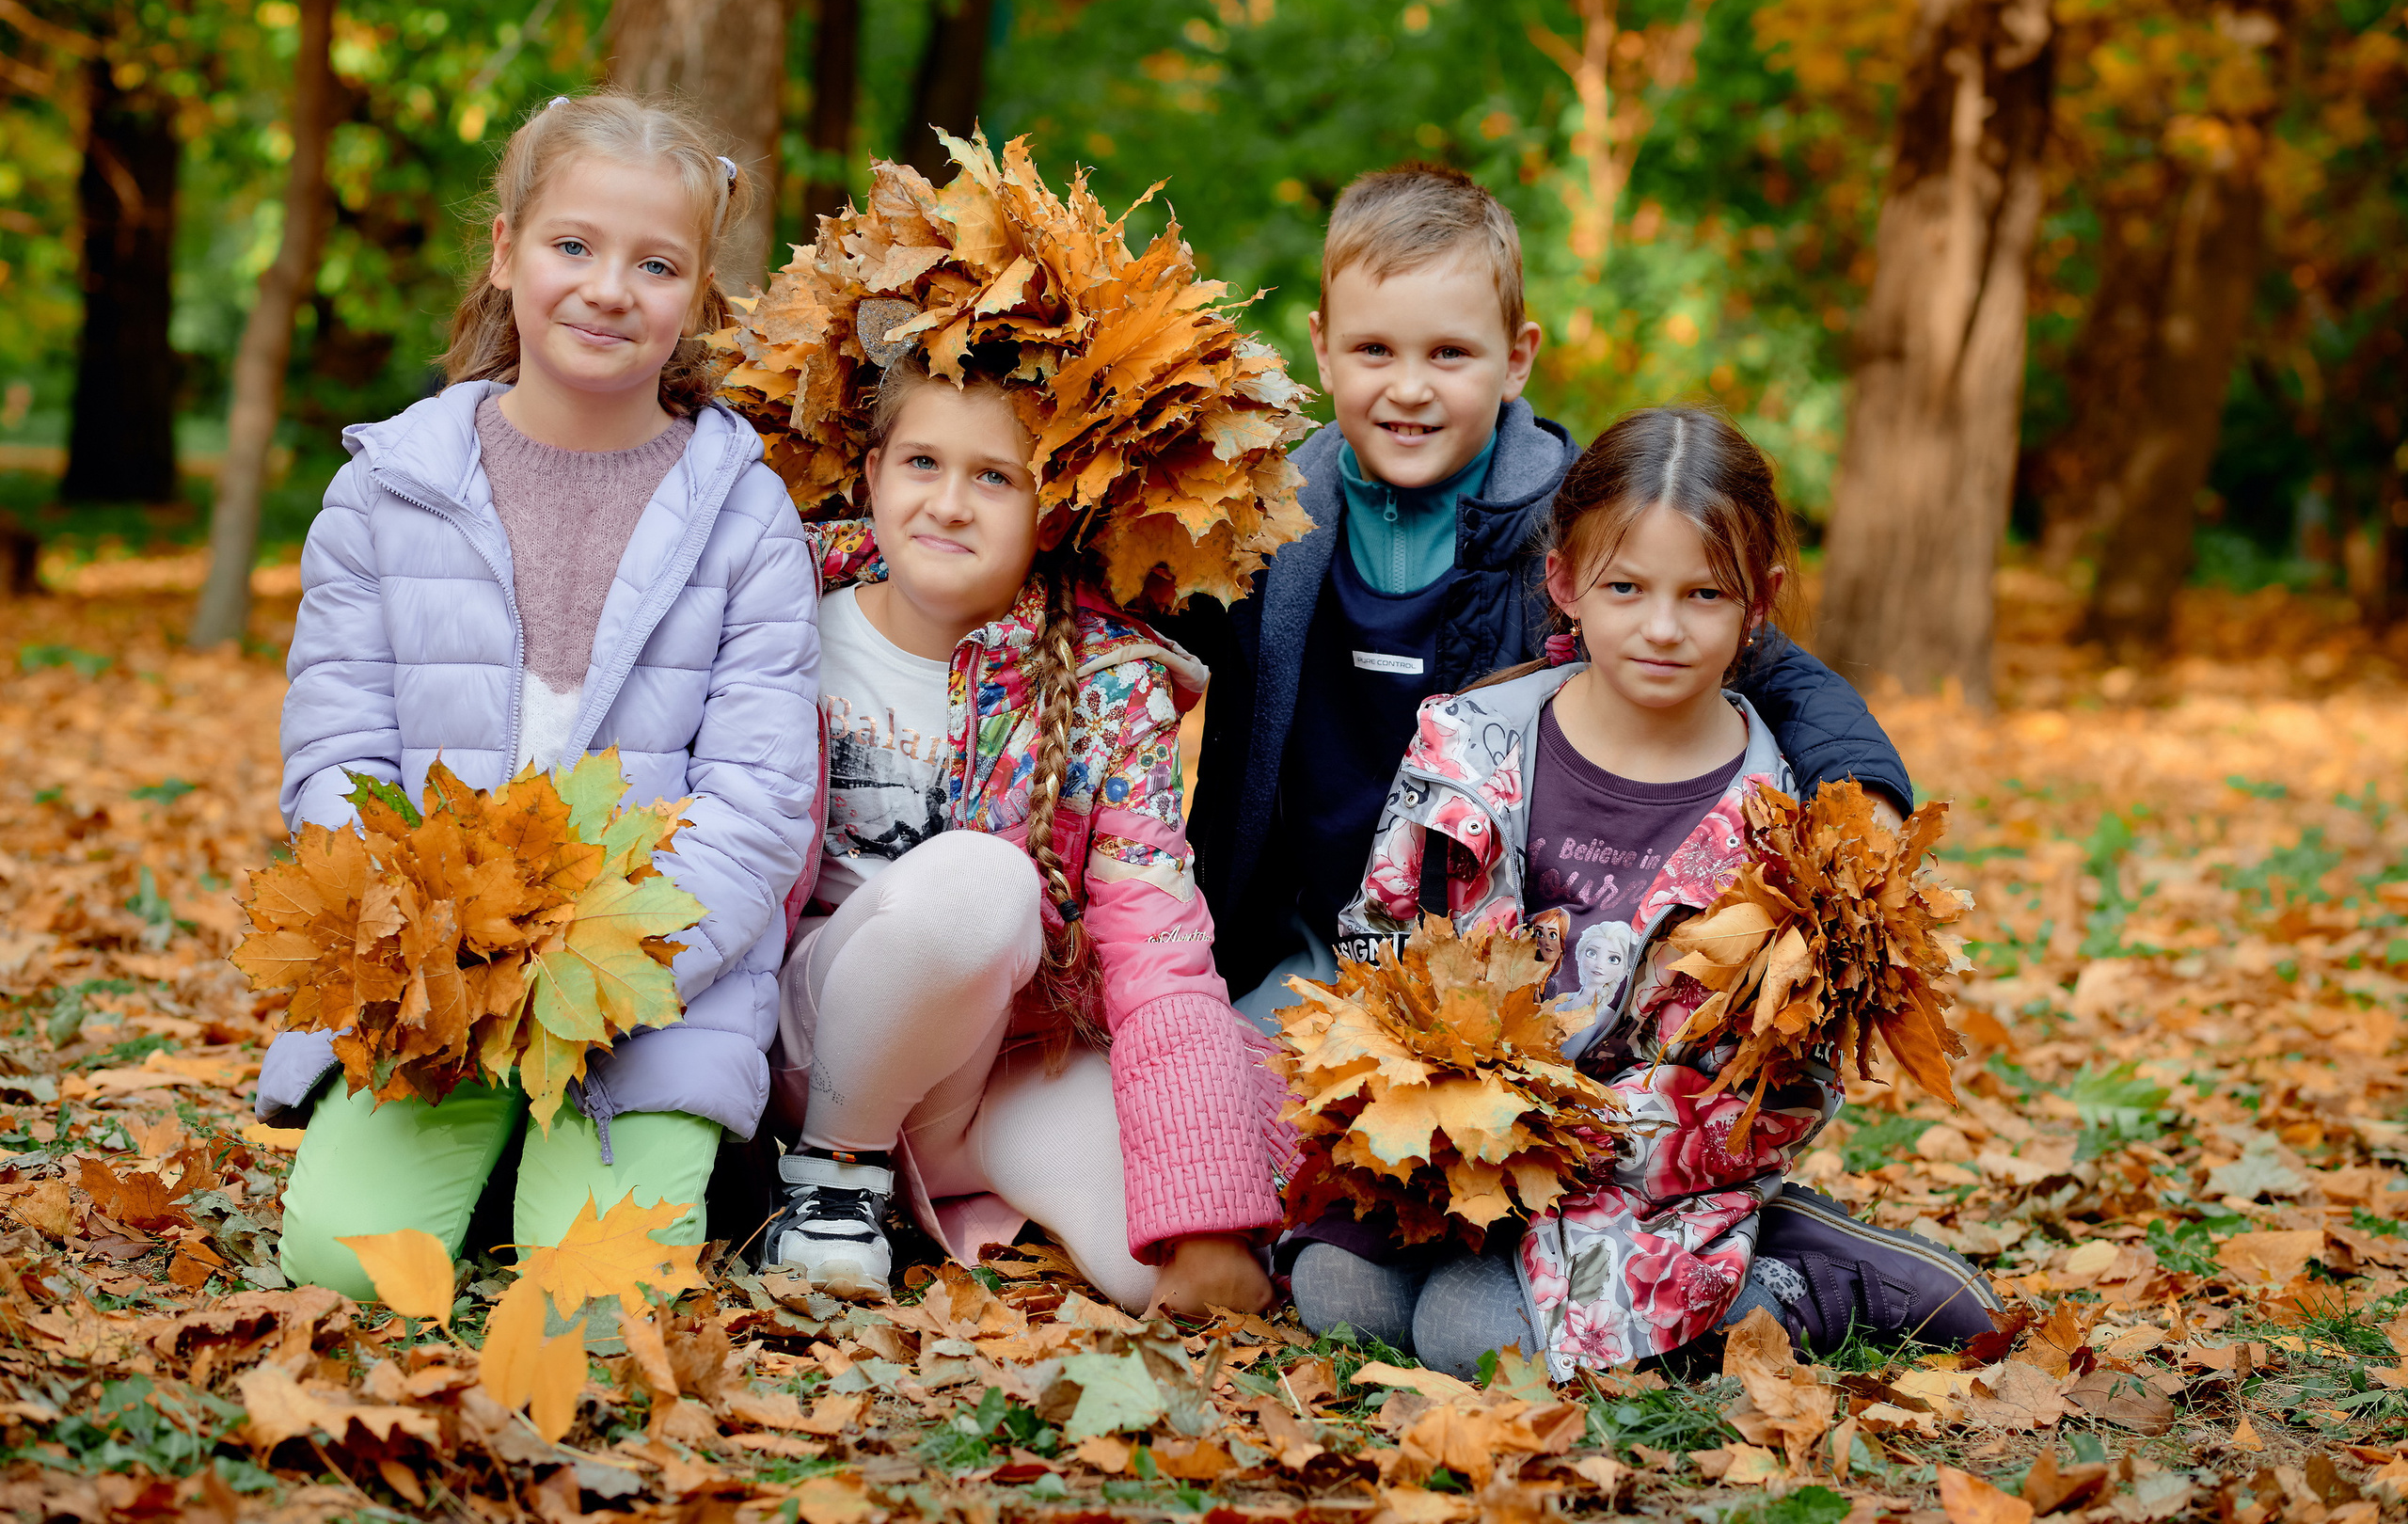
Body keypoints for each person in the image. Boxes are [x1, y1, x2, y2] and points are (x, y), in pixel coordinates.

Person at [718, 137, 1306, 1317]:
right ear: (871, 470)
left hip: (1000, 1067)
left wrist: (1202, 1200)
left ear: (1055, 508)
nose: (948, 501)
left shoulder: (1103, 677)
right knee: (980, 884)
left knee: (1195, 1282)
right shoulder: (777, 612)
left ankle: (929, 1181)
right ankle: (833, 1179)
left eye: (996, 477)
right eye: (923, 463)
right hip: (806, 1043)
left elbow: (1152, 937)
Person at [1290, 407, 1997, 1374]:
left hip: (1650, 1173)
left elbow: (1785, 1087)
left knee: (1466, 1340)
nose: (1661, 628)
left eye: (1704, 594)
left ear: (1759, 605)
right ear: (1565, 583)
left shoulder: (1786, 831)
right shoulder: (1466, 745)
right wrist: (1439, 1105)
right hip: (1462, 1148)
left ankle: (1807, 1278)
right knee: (1337, 1296)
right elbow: (1380, 939)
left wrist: (1565, 1136)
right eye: (1624, 587)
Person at [255, 92, 819, 1301]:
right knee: (340, 1273)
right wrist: (434, 954)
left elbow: (760, 801)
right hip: (430, 987)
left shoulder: (747, 514)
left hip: (643, 998)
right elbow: (334, 757)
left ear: (698, 299)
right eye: (573, 246)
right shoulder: (385, 492)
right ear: (506, 254)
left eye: (655, 263)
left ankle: (595, 1171)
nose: (609, 288)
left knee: (600, 1302)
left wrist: (603, 973)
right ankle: (478, 1152)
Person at [1176, 164, 1914, 1022]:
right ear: (1324, 349)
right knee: (1240, 1119)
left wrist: (1863, 790)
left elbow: (1764, 659)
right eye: (1375, 349)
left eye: (1450, 353)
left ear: (1517, 359)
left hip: (1502, 960)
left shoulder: (1574, 524)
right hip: (1305, 936)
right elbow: (1136, 631)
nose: (1409, 387)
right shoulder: (1258, 518)